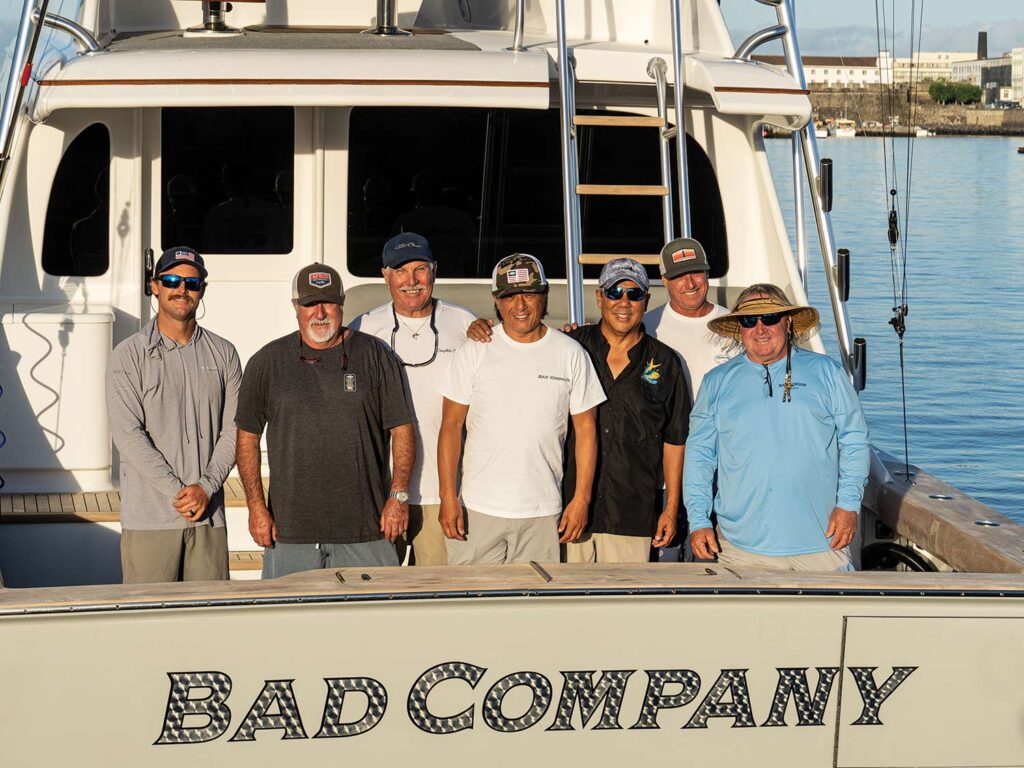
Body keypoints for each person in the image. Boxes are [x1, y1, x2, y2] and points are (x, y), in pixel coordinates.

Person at [234, 263, 416, 578]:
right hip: (289, 534)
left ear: (342, 304)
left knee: (377, 624)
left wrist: (398, 496)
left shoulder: (376, 355)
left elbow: (402, 428)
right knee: (288, 624)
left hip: (368, 530)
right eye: (310, 304)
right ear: (296, 308)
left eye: (329, 302)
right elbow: (247, 438)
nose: (320, 312)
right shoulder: (267, 362)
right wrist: (256, 507)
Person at [683, 284, 871, 571]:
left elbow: (855, 441)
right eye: (749, 320)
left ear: (788, 322)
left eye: (770, 317)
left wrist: (848, 505)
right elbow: (699, 456)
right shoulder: (716, 382)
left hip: (823, 543)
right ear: (740, 328)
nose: (760, 328)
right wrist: (698, 520)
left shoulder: (828, 372)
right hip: (739, 549)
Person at [437, 254, 605, 565]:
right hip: (477, 511)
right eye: (510, 296)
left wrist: (581, 499)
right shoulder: (473, 351)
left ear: (544, 296)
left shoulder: (570, 353)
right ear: (496, 301)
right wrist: (448, 497)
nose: (520, 305)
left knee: (534, 612)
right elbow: (450, 427)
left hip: (543, 513)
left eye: (529, 294)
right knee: (471, 610)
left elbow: (586, 430)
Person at [107, 246, 241, 583]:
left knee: (209, 625)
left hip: (208, 517)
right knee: (147, 627)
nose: (182, 289)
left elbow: (235, 430)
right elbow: (127, 434)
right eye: (171, 280)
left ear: (202, 291)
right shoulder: (128, 355)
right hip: (151, 520)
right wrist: (178, 493)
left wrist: (207, 487)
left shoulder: (224, 353)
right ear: (155, 286)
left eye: (192, 284)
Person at [349, 233, 475, 566]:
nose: (412, 281)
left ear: (434, 271)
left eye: (420, 269)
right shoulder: (363, 327)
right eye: (401, 271)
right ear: (385, 275)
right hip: (380, 492)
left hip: (442, 494)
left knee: (439, 598)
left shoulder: (465, 324)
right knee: (377, 594)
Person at [562, 258, 691, 563]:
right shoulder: (569, 347)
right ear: (599, 297)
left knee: (624, 609)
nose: (624, 302)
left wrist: (671, 509)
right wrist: (481, 327)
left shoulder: (667, 361)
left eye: (634, 294)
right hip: (569, 513)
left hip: (632, 517)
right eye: (614, 291)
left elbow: (675, 440)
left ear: (646, 301)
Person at [643, 237, 731, 404]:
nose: (690, 284)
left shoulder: (732, 324)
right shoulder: (647, 326)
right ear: (664, 281)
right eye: (680, 276)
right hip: (668, 428)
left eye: (696, 272)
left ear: (707, 274)